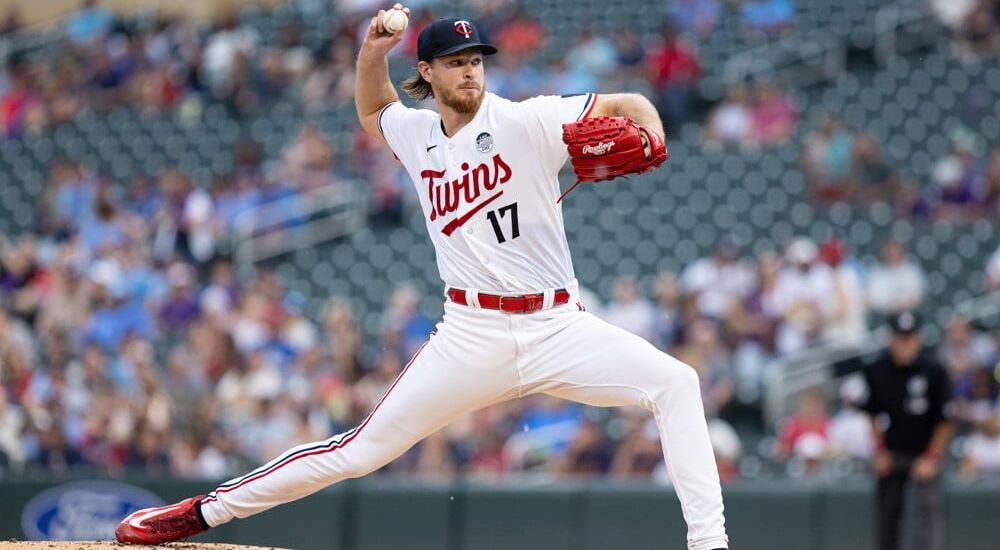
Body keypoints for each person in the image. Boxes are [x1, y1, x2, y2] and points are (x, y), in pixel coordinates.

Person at [115, 6, 730, 550]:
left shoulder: (528, 120)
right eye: (455, 61)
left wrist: (653, 129)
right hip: (471, 333)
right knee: (357, 451)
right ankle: (199, 513)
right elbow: (374, 107)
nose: (470, 71)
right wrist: (373, 48)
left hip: (557, 325)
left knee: (676, 383)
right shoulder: (417, 134)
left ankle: (709, 545)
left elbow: (626, 104)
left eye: (477, 60)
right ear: (429, 73)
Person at [862, 312, 955, 550]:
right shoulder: (877, 370)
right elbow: (872, 412)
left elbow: (946, 419)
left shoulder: (934, 370)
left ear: (918, 339)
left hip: (925, 451)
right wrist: (879, 451)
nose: (904, 344)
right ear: (890, 339)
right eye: (899, 338)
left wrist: (932, 457)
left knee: (926, 520)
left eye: (909, 338)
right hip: (893, 452)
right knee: (887, 521)